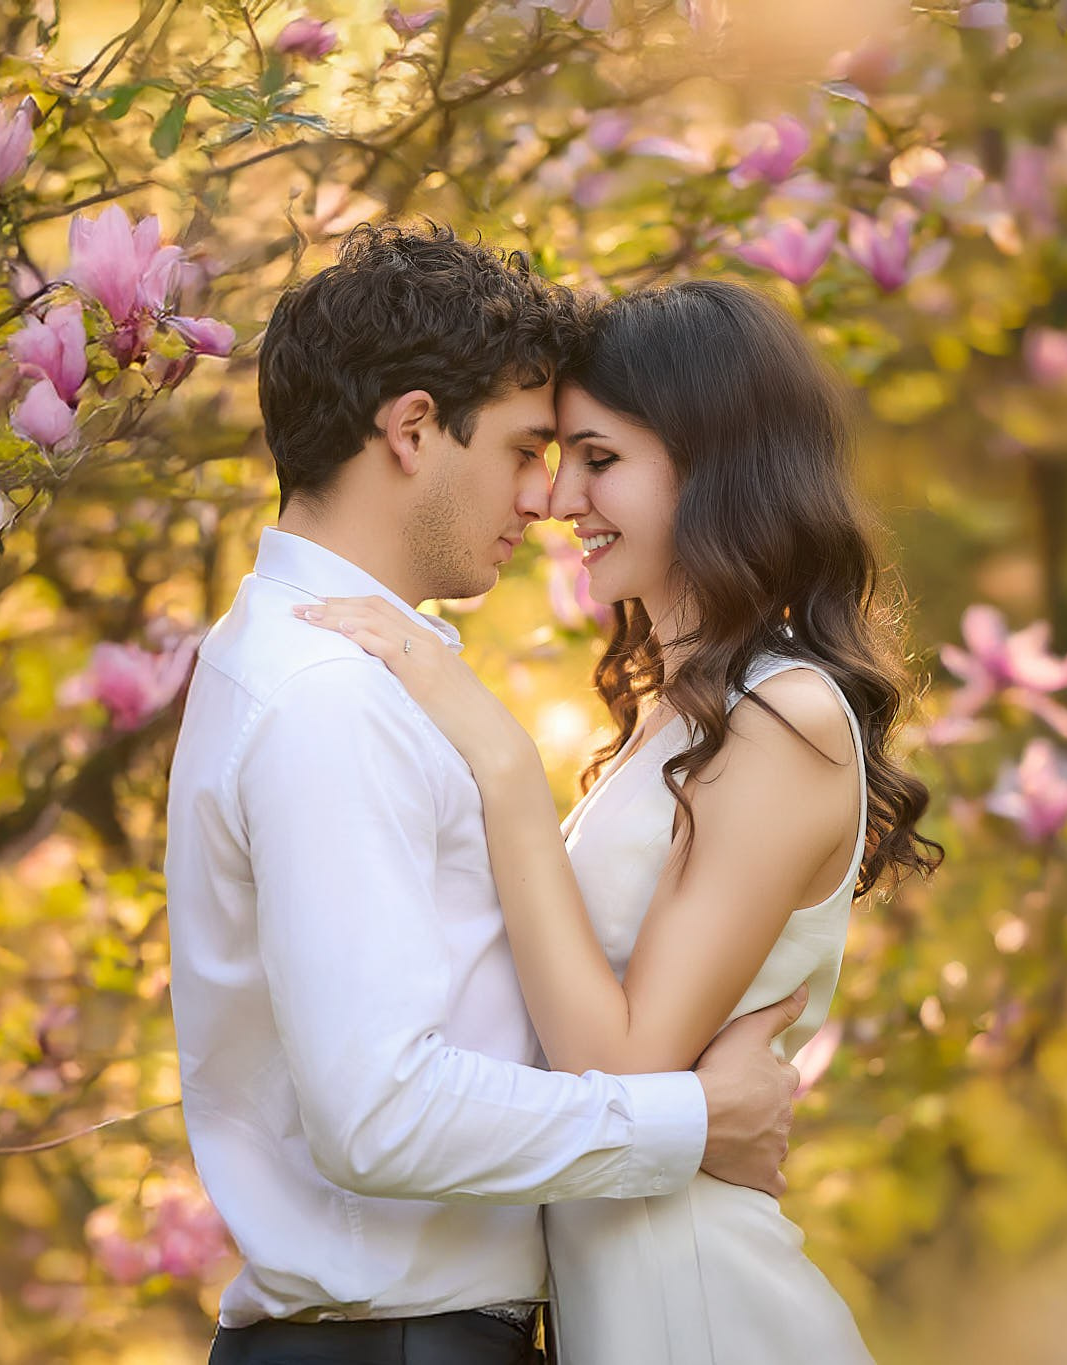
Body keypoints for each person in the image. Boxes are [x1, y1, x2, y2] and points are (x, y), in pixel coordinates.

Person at [164, 227, 811, 1365]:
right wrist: (694, 1121)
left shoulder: (332, 668)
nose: (545, 493)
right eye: (523, 447)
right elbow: (379, 1113)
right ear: (412, 430)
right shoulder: (328, 697)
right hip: (387, 1344)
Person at [297, 278, 942, 1365]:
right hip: (621, 1305)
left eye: (599, 460)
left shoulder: (784, 719)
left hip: (703, 1312)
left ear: (713, 462)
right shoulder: (677, 717)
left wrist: (500, 760)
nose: (557, 500)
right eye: (555, 459)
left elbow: (626, 1068)